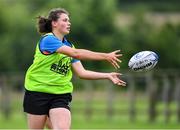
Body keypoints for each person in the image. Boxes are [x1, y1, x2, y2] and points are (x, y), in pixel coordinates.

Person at [23, 8, 126, 130]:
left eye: (69, 20)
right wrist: (105, 56)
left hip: (60, 94)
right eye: (65, 20)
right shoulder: (48, 40)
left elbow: (82, 73)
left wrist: (107, 75)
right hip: (37, 92)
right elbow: (76, 53)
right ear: (54, 23)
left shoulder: (70, 46)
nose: (69, 23)